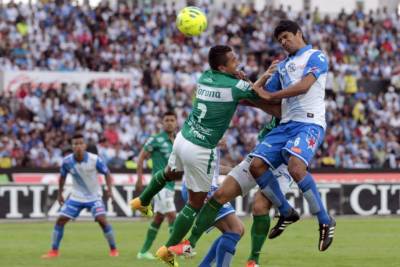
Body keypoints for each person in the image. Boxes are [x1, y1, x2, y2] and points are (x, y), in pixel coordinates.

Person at [184, 20, 336, 255]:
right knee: (256, 166)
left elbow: (304, 86)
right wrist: (247, 85)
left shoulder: (316, 56)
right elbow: (262, 98)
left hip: (309, 122)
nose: (284, 42)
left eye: (286, 36)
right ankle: (286, 211)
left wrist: (268, 92)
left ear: (299, 33)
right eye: (280, 40)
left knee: (296, 168)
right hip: (285, 125)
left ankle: (324, 219)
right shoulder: (283, 66)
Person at [130, 45, 278, 266]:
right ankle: (169, 249)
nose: (237, 60)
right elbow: (261, 96)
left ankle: (142, 201)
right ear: (222, 66)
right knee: (195, 204)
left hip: (183, 138)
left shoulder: (205, 76)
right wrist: (263, 78)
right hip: (200, 149)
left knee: (170, 173)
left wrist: (247, 77)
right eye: (232, 59)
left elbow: (235, 88)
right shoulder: (235, 86)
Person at [170, 118, 295, 267]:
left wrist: (236, 173)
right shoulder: (203, 138)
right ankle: (190, 247)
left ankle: (201, 261)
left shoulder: (207, 139)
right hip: (203, 188)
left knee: (237, 230)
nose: (223, 136)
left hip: (204, 186)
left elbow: (215, 168)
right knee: (234, 230)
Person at [41, 133, 118, 258]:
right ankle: (54, 251)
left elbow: (107, 173)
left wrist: (110, 190)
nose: (78, 146)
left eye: (81, 143)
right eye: (75, 144)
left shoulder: (95, 159)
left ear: (85, 145)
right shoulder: (67, 162)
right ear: (72, 146)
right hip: (76, 196)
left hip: (94, 196)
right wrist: (60, 194)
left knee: (102, 220)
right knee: (60, 221)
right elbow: (62, 178)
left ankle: (113, 249)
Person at [135, 111, 178, 260]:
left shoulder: (178, 140)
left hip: (171, 185)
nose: (169, 122)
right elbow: (141, 159)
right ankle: (174, 250)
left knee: (159, 218)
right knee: (172, 216)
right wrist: (139, 179)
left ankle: (143, 251)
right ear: (162, 122)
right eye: (166, 120)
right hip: (160, 185)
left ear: (176, 122)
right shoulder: (155, 139)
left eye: (172, 120)